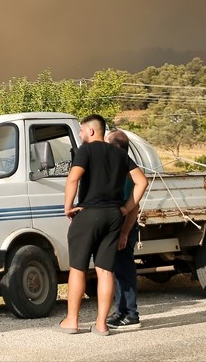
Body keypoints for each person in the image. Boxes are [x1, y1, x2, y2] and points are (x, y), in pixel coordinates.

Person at [59, 114, 149, 336]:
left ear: (90, 131)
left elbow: (73, 178)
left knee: (78, 268)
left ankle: (72, 321)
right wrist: (127, 208)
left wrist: (68, 206)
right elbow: (142, 182)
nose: (80, 135)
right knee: (105, 271)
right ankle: (101, 324)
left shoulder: (86, 150)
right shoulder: (119, 154)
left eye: (81, 131)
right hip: (113, 216)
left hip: (90, 213)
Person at [107, 130, 142, 329]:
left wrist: (124, 233)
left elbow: (133, 206)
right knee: (117, 271)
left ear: (117, 147)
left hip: (125, 227)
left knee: (125, 271)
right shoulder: (120, 167)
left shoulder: (128, 170)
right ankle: (120, 312)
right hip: (120, 227)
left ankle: (130, 314)